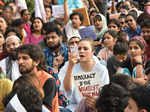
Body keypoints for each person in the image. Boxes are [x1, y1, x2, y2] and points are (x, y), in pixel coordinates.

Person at [59, 38, 109, 111]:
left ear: (92, 52)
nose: (81, 51)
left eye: (85, 49)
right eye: (79, 49)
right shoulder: (72, 67)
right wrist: (70, 66)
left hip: (95, 107)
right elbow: (67, 90)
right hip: (74, 107)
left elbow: (104, 94)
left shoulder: (101, 70)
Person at [17, 44, 59, 112]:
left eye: (25, 58)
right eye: (18, 58)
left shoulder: (48, 80)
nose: (20, 62)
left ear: (36, 62)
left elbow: (45, 109)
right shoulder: (20, 81)